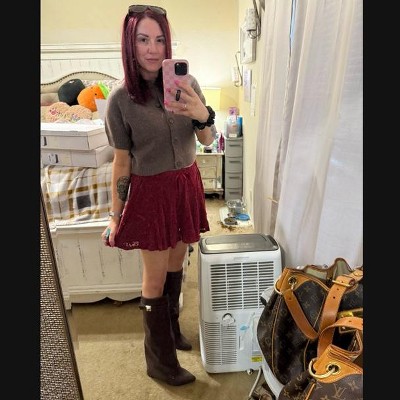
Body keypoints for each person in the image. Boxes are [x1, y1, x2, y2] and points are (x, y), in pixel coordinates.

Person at [101, 4, 217, 386]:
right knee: (153, 278)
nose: (152, 49)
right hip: (151, 194)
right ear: (130, 44)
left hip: (185, 185)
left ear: (168, 43)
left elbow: (208, 139)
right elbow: (121, 162)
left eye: (159, 39)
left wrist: (201, 112)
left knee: (176, 263)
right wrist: (115, 215)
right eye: (143, 40)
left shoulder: (187, 82)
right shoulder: (120, 99)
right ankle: (160, 363)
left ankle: (172, 332)